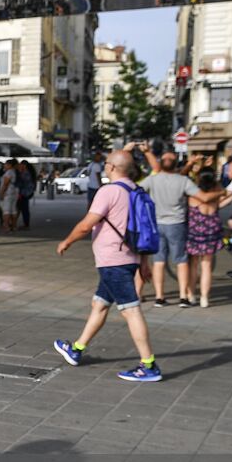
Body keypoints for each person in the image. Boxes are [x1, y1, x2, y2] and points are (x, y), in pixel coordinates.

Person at [53, 149, 163, 383]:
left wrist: (67, 241)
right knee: (99, 304)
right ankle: (77, 348)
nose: (104, 166)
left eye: (106, 163)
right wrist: (143, 262)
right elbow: (140, 228)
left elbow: (86, 225)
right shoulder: (136, 190)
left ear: (112, 167)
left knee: (131, 311)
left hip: (113, 261)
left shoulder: (108, 191)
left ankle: (149, 365)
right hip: (128, 258)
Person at [139, 145, 215, 306]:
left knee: (158, 261)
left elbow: (135, 191)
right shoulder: (183, 181)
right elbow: (203, 197)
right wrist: (222, 192)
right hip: (177, 224)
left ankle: (159, 297)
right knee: (181, 261)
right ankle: (183, 297)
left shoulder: (152, 179)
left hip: (157, 224)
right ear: (175, 164)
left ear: (161, 163)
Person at [185, 169, 224, 308]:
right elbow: (221, 190)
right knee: (207, 266)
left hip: (194, 232)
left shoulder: (193, 195)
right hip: (211, 232)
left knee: (193, 265)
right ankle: (204, 298)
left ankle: (191, 295)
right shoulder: (216, 196)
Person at [15, 160, 36, 231]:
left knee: (22, 209)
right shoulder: (29, 173)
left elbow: (21, 184)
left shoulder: (25, 173)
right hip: (26, 193)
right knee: (23, 209)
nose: (19, 167)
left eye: (20, 165)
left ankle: (23, 224)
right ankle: (24, 224)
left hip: (23, 193)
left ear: (24, 166)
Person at [0, 158, 20, 231]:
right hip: (15, 193)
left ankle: (6, 226)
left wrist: (1, 193)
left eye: (6, 164)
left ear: (10, 165)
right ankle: (14, 226)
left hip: (8, 193)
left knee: (6, 210)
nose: (4, 166)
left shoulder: (9, 173)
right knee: (13, 210)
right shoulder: (16, 172)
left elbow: (5, 184)